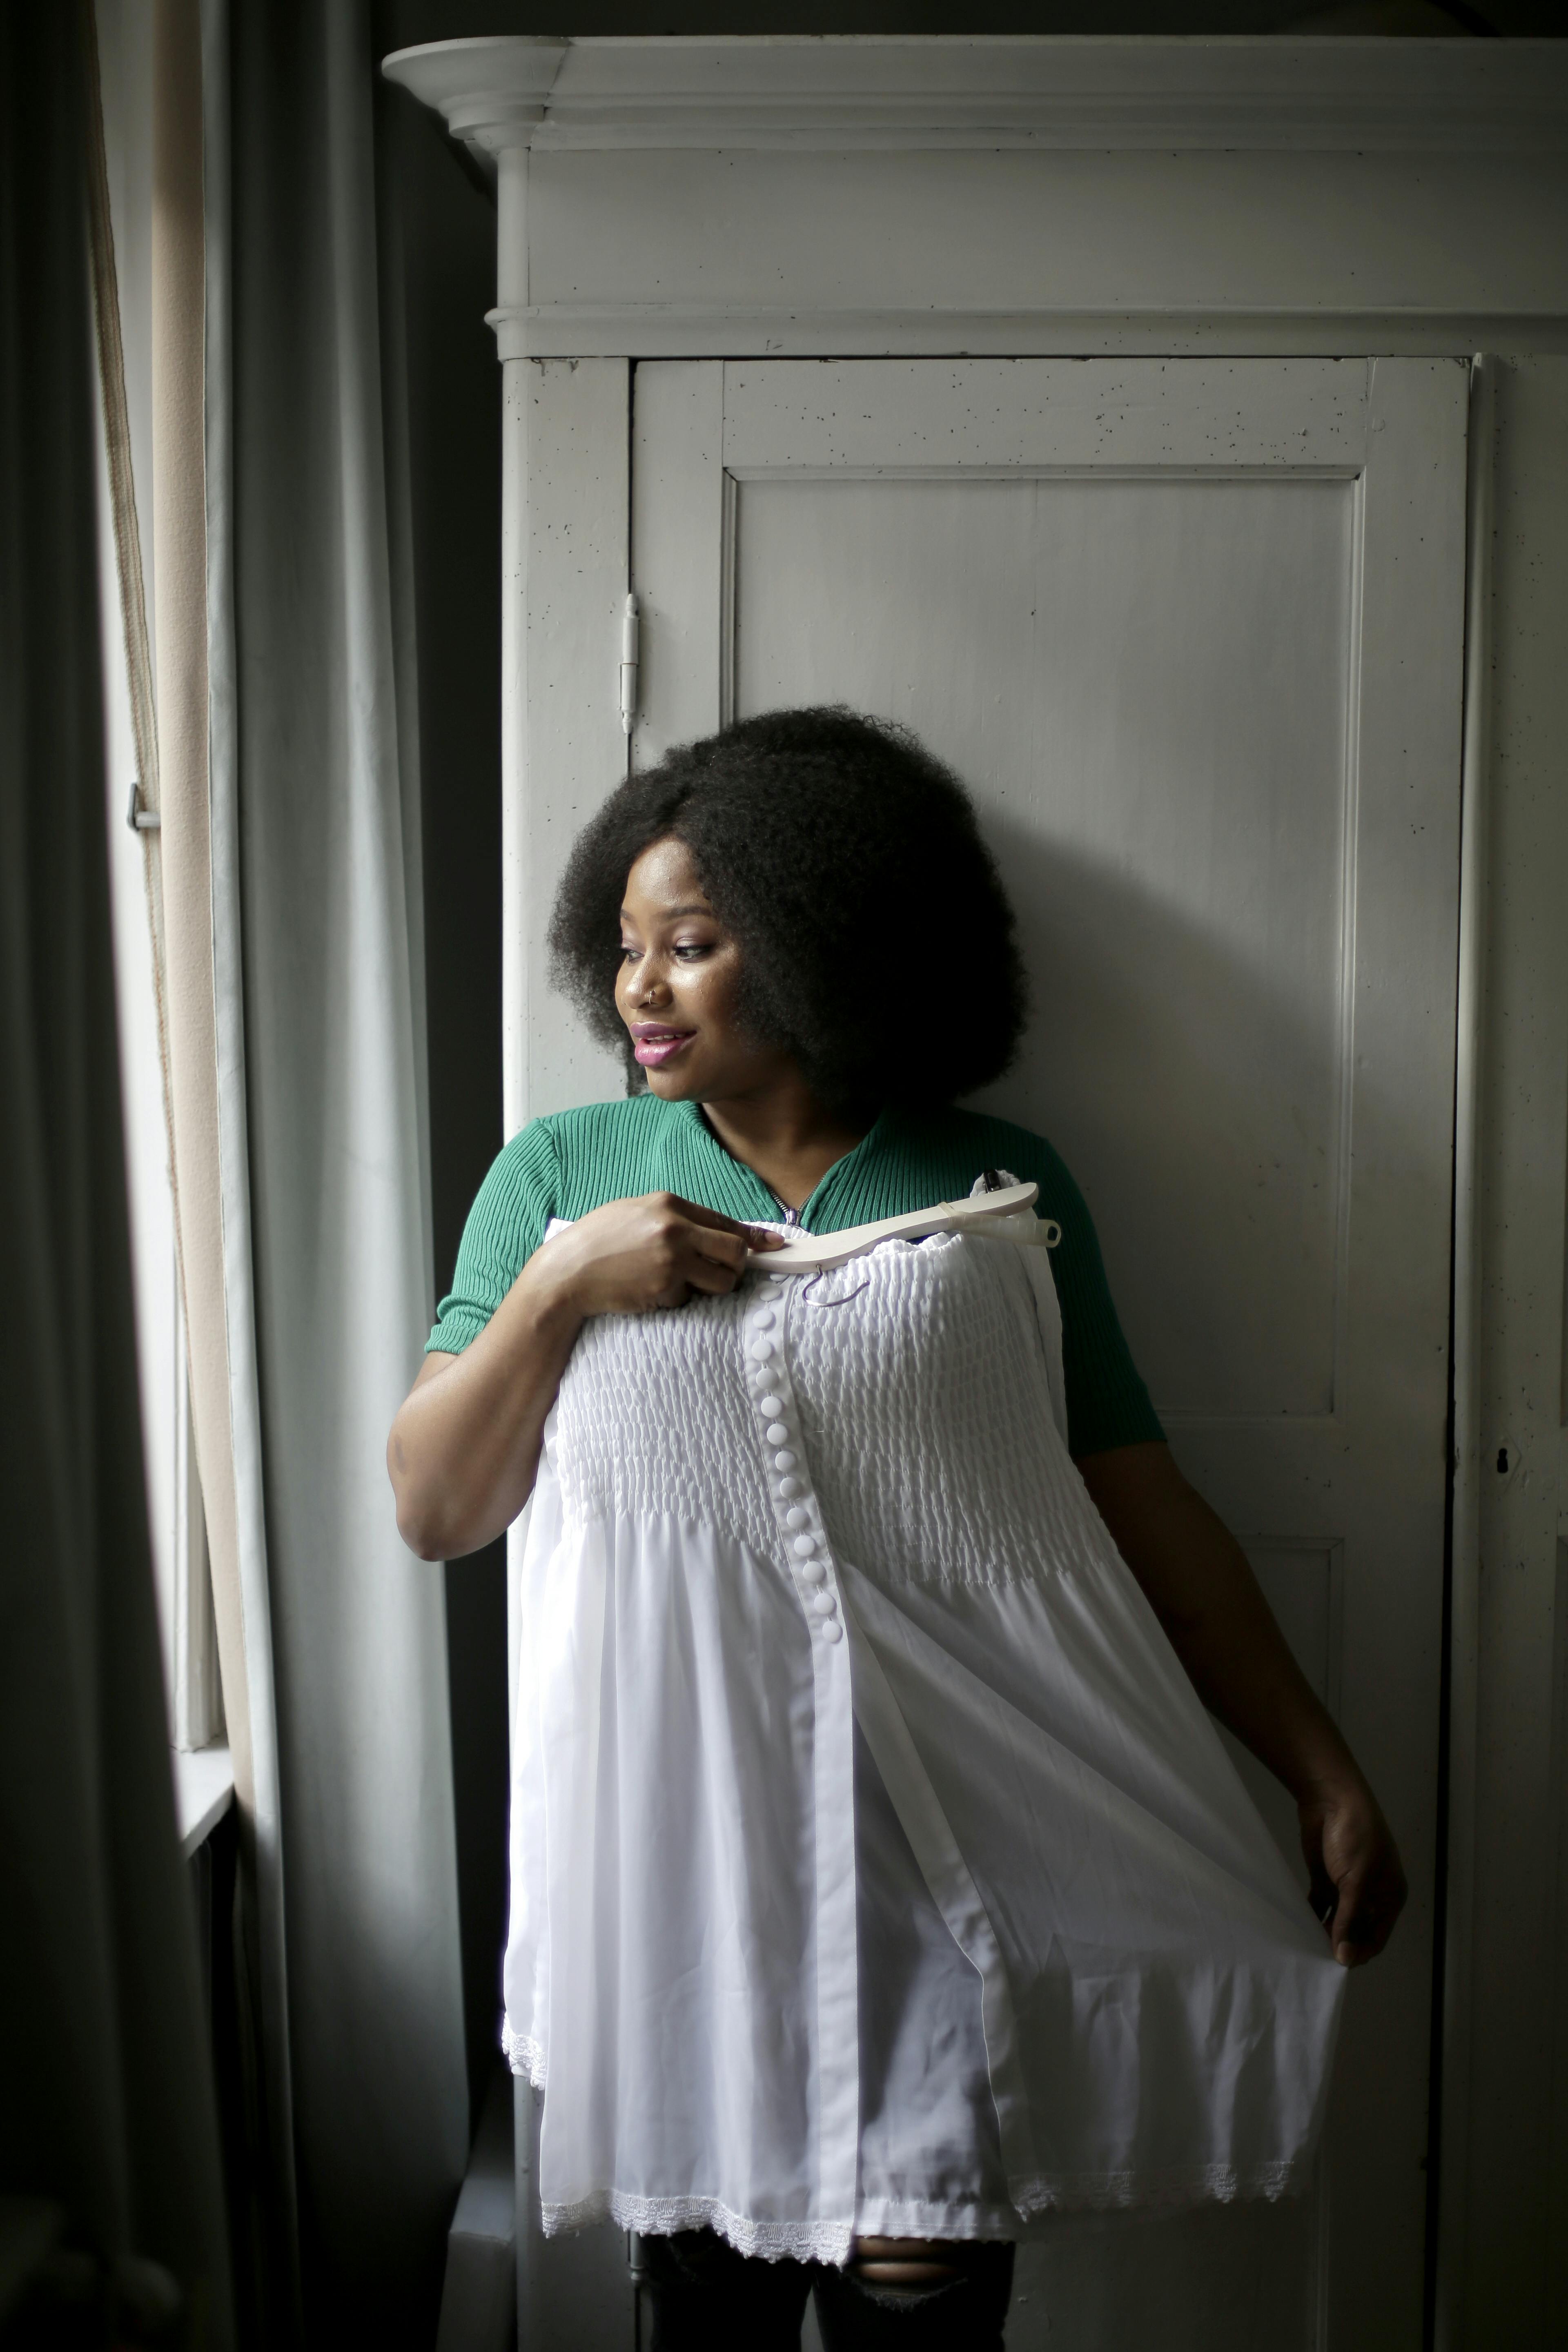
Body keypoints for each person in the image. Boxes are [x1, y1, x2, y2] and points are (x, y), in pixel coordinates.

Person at [388, 708, 1405, 2352]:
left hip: (948, 1875)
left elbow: (1138, 1507)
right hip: (687, 1877)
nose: (640, 987)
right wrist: (569, 1284)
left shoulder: (998, 1185)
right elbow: (438, 1501)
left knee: (919, 2317)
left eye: (695, 946)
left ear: (820, 944)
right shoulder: (561, 1175)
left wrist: (1320, 1770)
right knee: (708, 2316)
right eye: (628, 946)